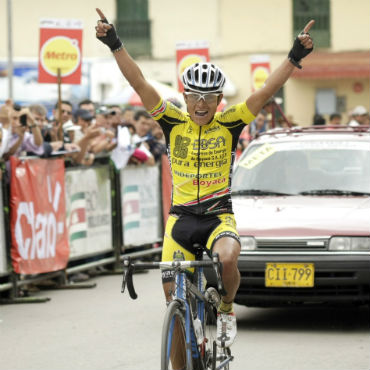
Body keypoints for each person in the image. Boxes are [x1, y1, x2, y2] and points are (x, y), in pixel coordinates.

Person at [95, 6, 314, 356]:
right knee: (174, 307)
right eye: (194, 96)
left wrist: (293, 57)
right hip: (180, 221)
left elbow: (266, 92)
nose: (201, 104)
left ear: (218, 100)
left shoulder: (230, 122)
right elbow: (138, 82)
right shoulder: (170, 120)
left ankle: (226, 308)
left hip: (216, 217)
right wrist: (115, 43)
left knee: (228, 258)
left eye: (208, 97)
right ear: (184, 97)